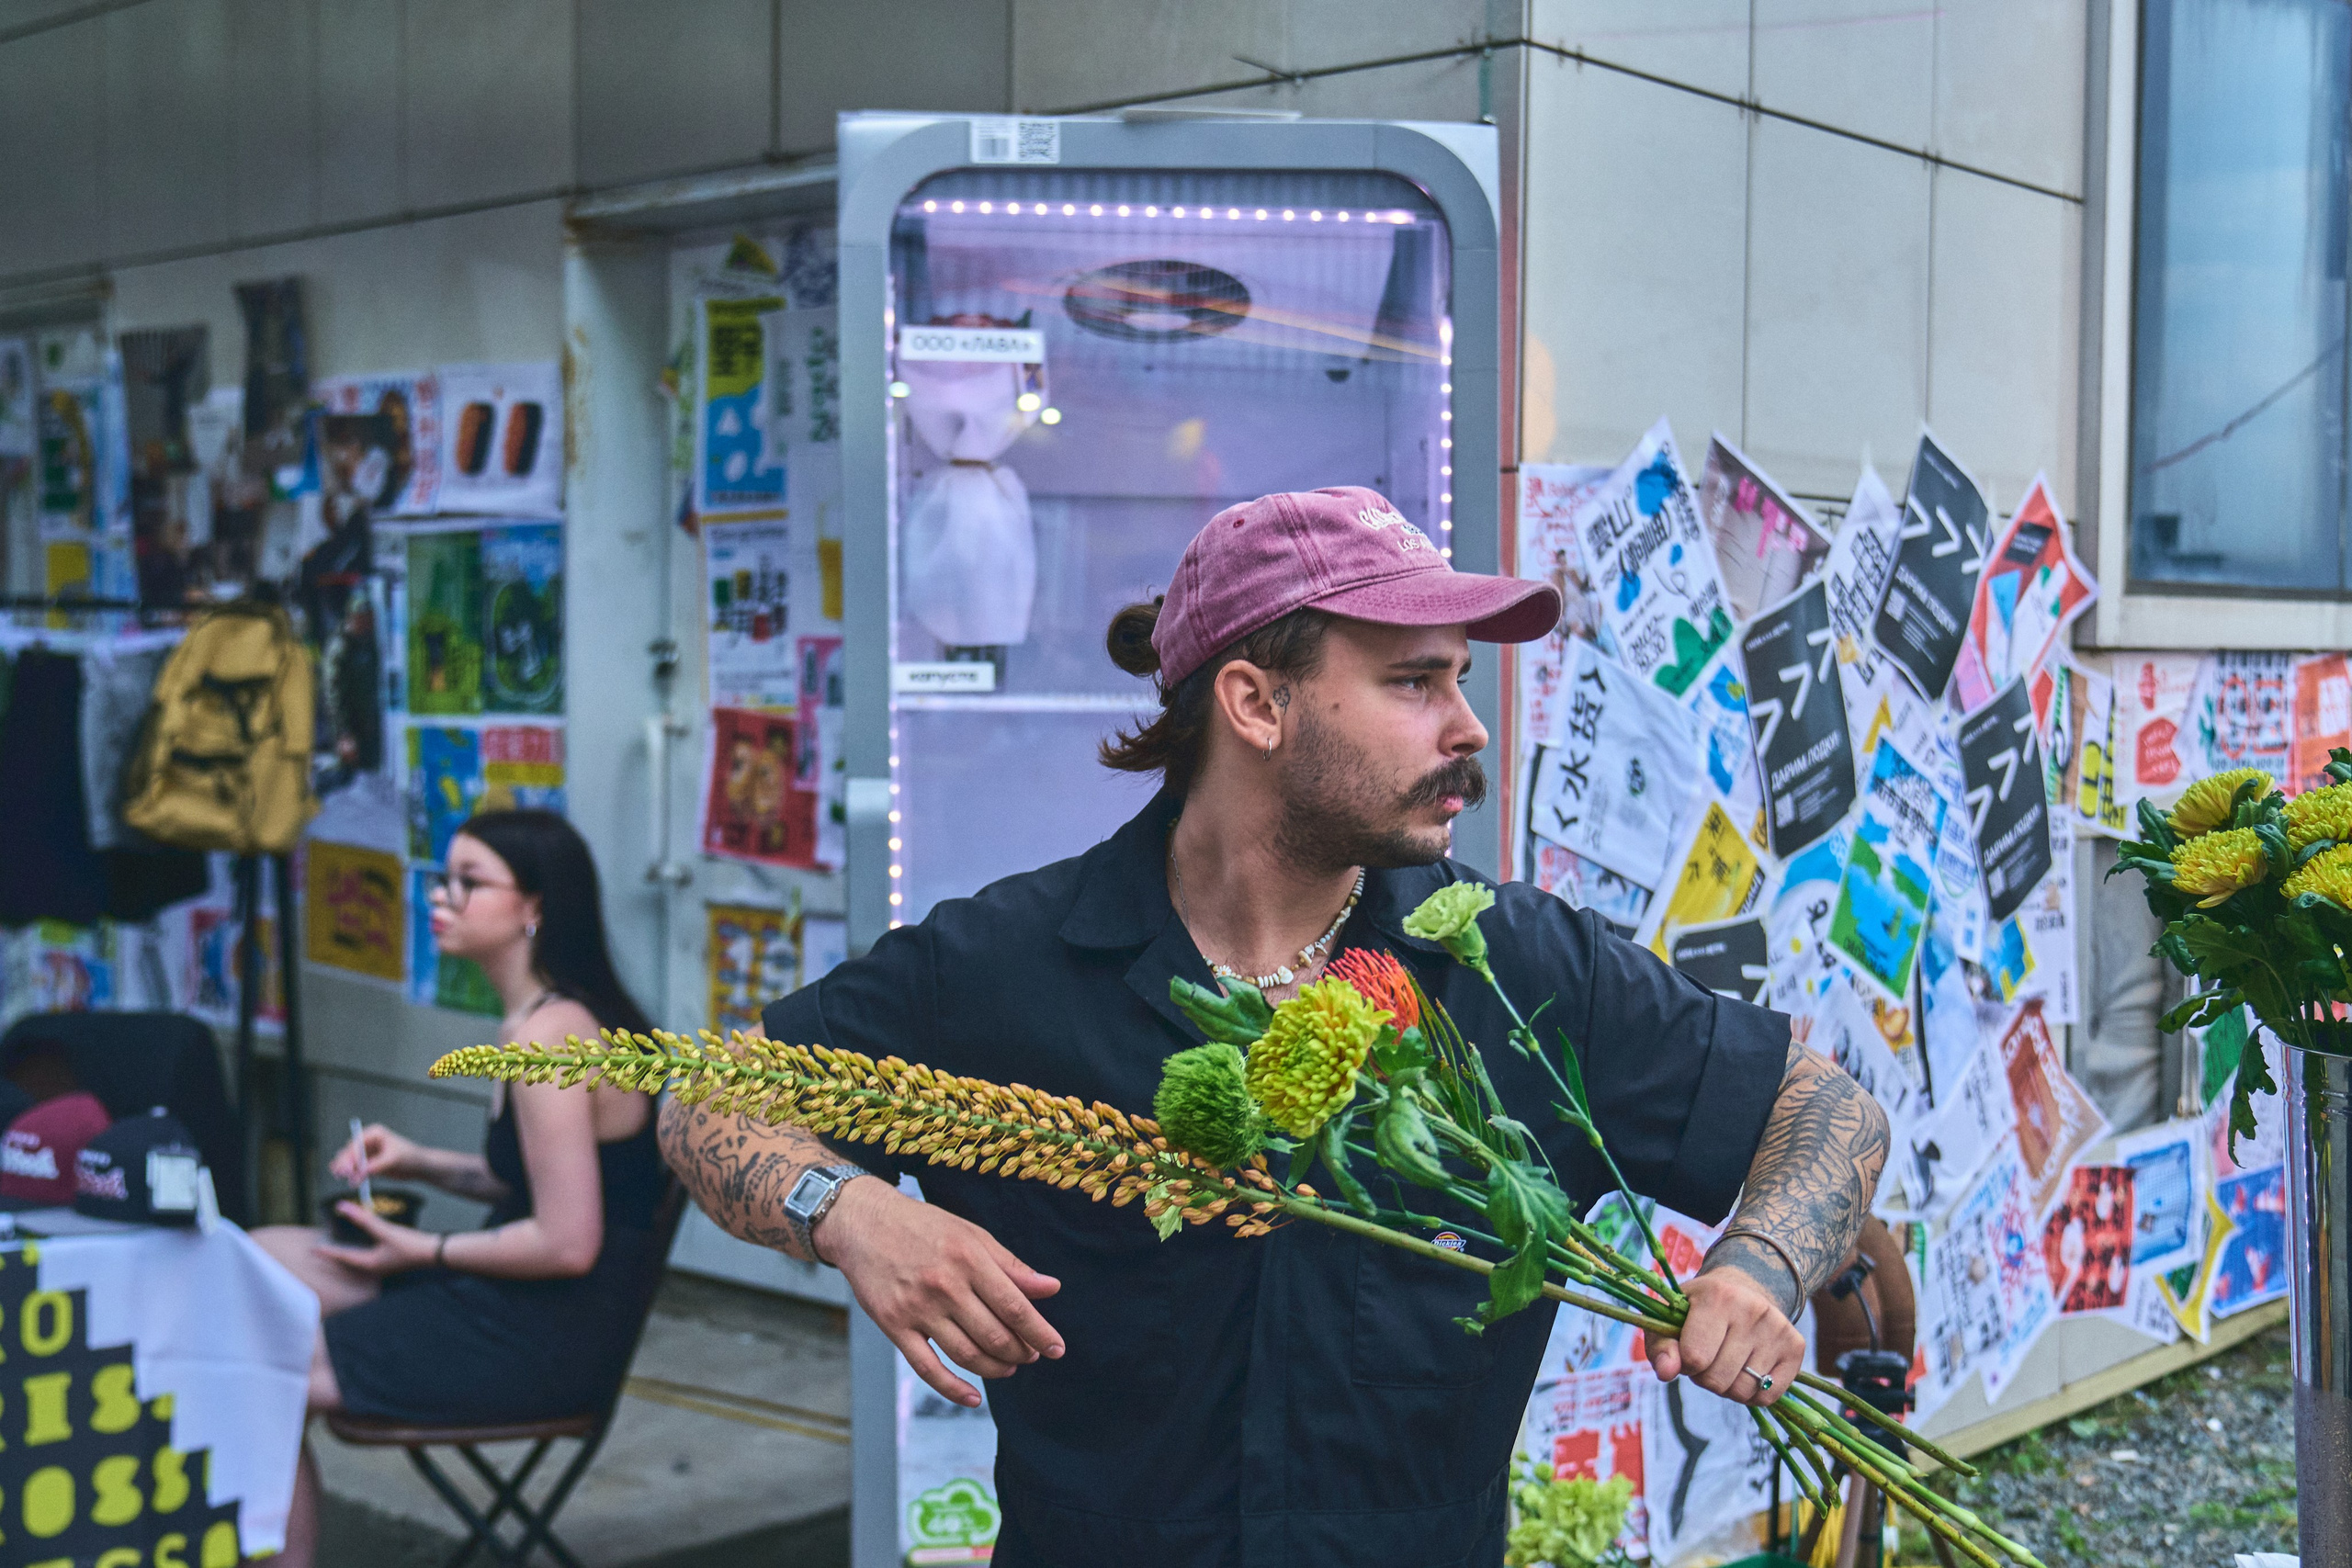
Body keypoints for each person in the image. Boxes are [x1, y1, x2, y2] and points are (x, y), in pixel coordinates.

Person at [662, 487, 1891, 1566]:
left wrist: (1759, 1260)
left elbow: (1827, 1104)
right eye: (1416, 681)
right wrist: (848, 1208)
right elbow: (706, 1096)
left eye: (1459, 678)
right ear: (1255, 702)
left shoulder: (1512, 964)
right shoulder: (1002, 963)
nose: (1467, 726)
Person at [254, 810, 666, 1567]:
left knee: (256, 1366)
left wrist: (425, 1248)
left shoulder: (553, 1039)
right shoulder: (540, 1019)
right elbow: (533, 1182)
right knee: (257, 1264)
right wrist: (419, 1161)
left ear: (535, 906)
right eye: (444, 878)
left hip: (541, 1333)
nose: (439, 897)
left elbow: (568, 1240)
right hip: (522, 1302)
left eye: (469, 882)